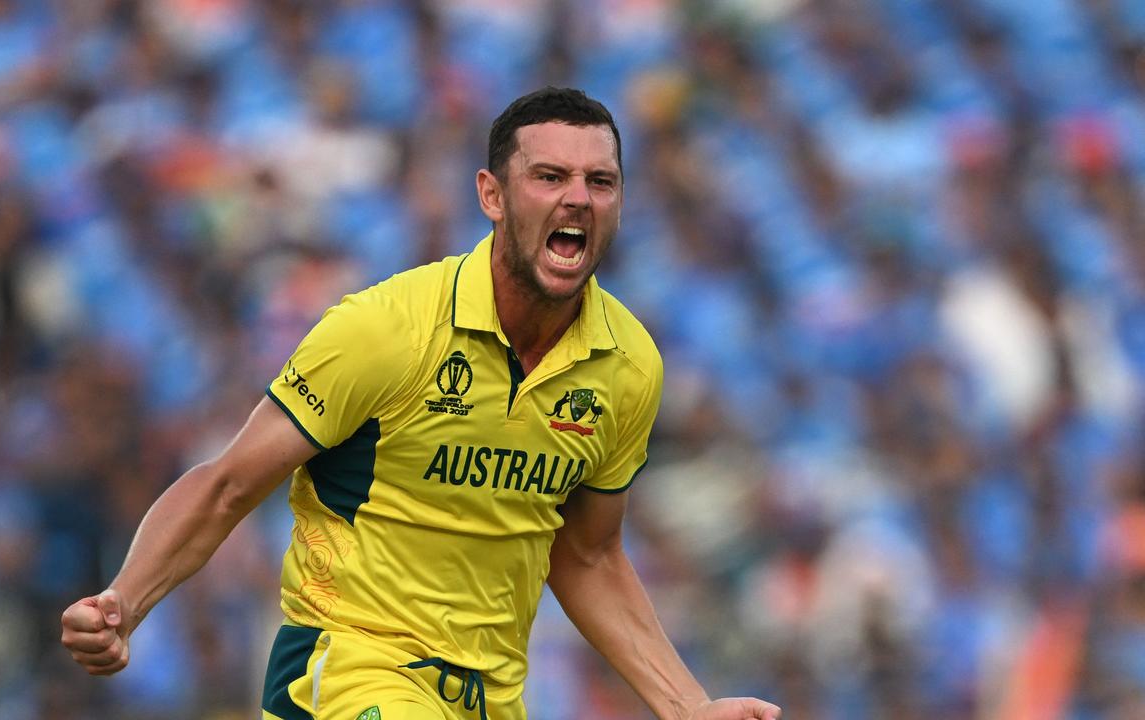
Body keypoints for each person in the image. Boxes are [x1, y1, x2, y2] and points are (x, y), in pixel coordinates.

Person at [61, 87, 781, 720]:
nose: (578, 199)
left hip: (488, 699)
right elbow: (226, 486)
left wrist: (687, 705)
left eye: (601, 181)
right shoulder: (386, 329)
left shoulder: (629, 367)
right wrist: (126, 601)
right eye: (550, 177)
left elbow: (588, 553)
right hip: (343, 671)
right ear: (492, 195)